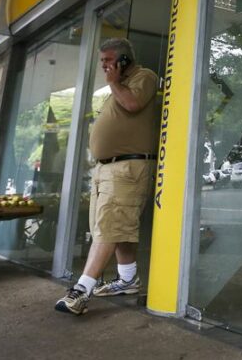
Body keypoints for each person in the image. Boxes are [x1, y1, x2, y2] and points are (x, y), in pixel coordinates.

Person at [55, 38, 160, 315]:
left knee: (110, 225)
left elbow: (133, 104)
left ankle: (82, 289)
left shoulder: (144, 77)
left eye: (108, 60)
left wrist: (114, 82)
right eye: (102, 61)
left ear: (124, 59)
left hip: (128, 167)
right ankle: (127, 279)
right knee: (115, 226)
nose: (104, 65)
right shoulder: (118, 85)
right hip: (107, 168)